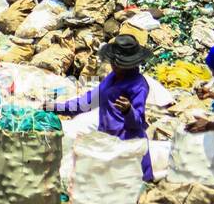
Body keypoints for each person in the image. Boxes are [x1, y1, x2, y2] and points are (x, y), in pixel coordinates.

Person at [46, 35, 153, 181]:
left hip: (127, 149)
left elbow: (137, 123)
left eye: (118, 63)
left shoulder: (138, 85)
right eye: (114, 62)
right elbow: (87, 102)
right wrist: (54, 107)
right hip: (106, 142)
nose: (114, 66)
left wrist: (128, 110)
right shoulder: (112, 78)